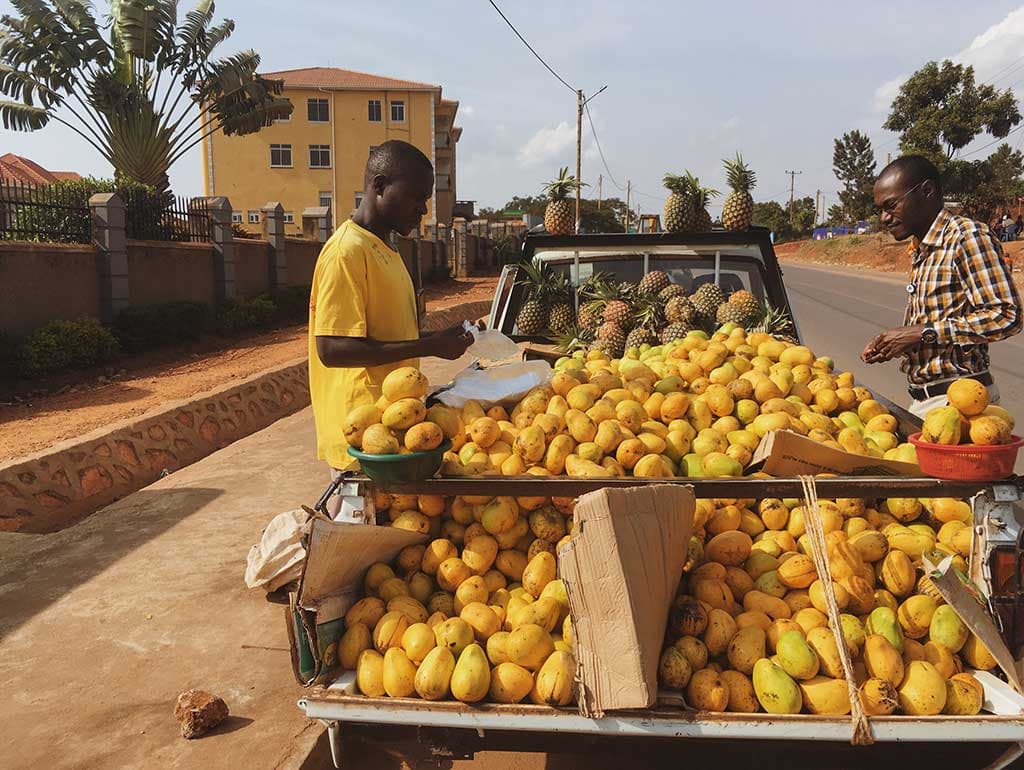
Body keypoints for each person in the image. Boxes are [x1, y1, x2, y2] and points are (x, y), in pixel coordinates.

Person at [309, 140, 474, 517]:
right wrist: (430, 344)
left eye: (427, 198)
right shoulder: (346, 252)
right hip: (361, 435)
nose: (424, 209)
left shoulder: (387, 249)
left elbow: (392, 329)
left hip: (391, 426)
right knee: (350, 556)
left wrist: (444, 336)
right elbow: (333, 349)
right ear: (379, 186)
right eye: (416, 196)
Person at [860, 155, 1022, 418]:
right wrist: (897, 344)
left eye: (891, 206)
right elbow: (939, 323)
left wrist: (922, 333)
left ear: (926, 191)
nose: (885, 218)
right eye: (880, 209)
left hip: (964, 405)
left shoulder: (966, 238)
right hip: (930, 403)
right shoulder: (923, 248)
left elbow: (1006, 316)